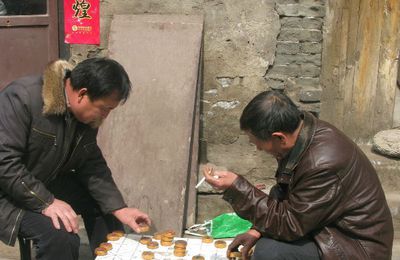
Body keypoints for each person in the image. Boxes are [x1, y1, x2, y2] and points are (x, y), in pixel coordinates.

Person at [204, 90, 393, 260]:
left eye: (257, 143)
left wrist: (237, 188)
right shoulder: (303, 133)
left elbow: (290, 224)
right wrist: (257, 229)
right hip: (326, 227)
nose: (259, 148)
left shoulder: (322, 164)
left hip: (355, 247)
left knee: (270, 252)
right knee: (266, 242)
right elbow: (285, 194)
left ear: (279, 137)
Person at [0, 58, 151, 259]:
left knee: (102, 204)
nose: (105, 116)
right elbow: (4, 161)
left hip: (41, 182)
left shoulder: (85, 117)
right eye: (105, 108)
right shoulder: (23, 97)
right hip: (7, 192)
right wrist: (47, 202)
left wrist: (119, 208)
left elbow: (92, 164)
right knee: (60, 236)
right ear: (82, 94)